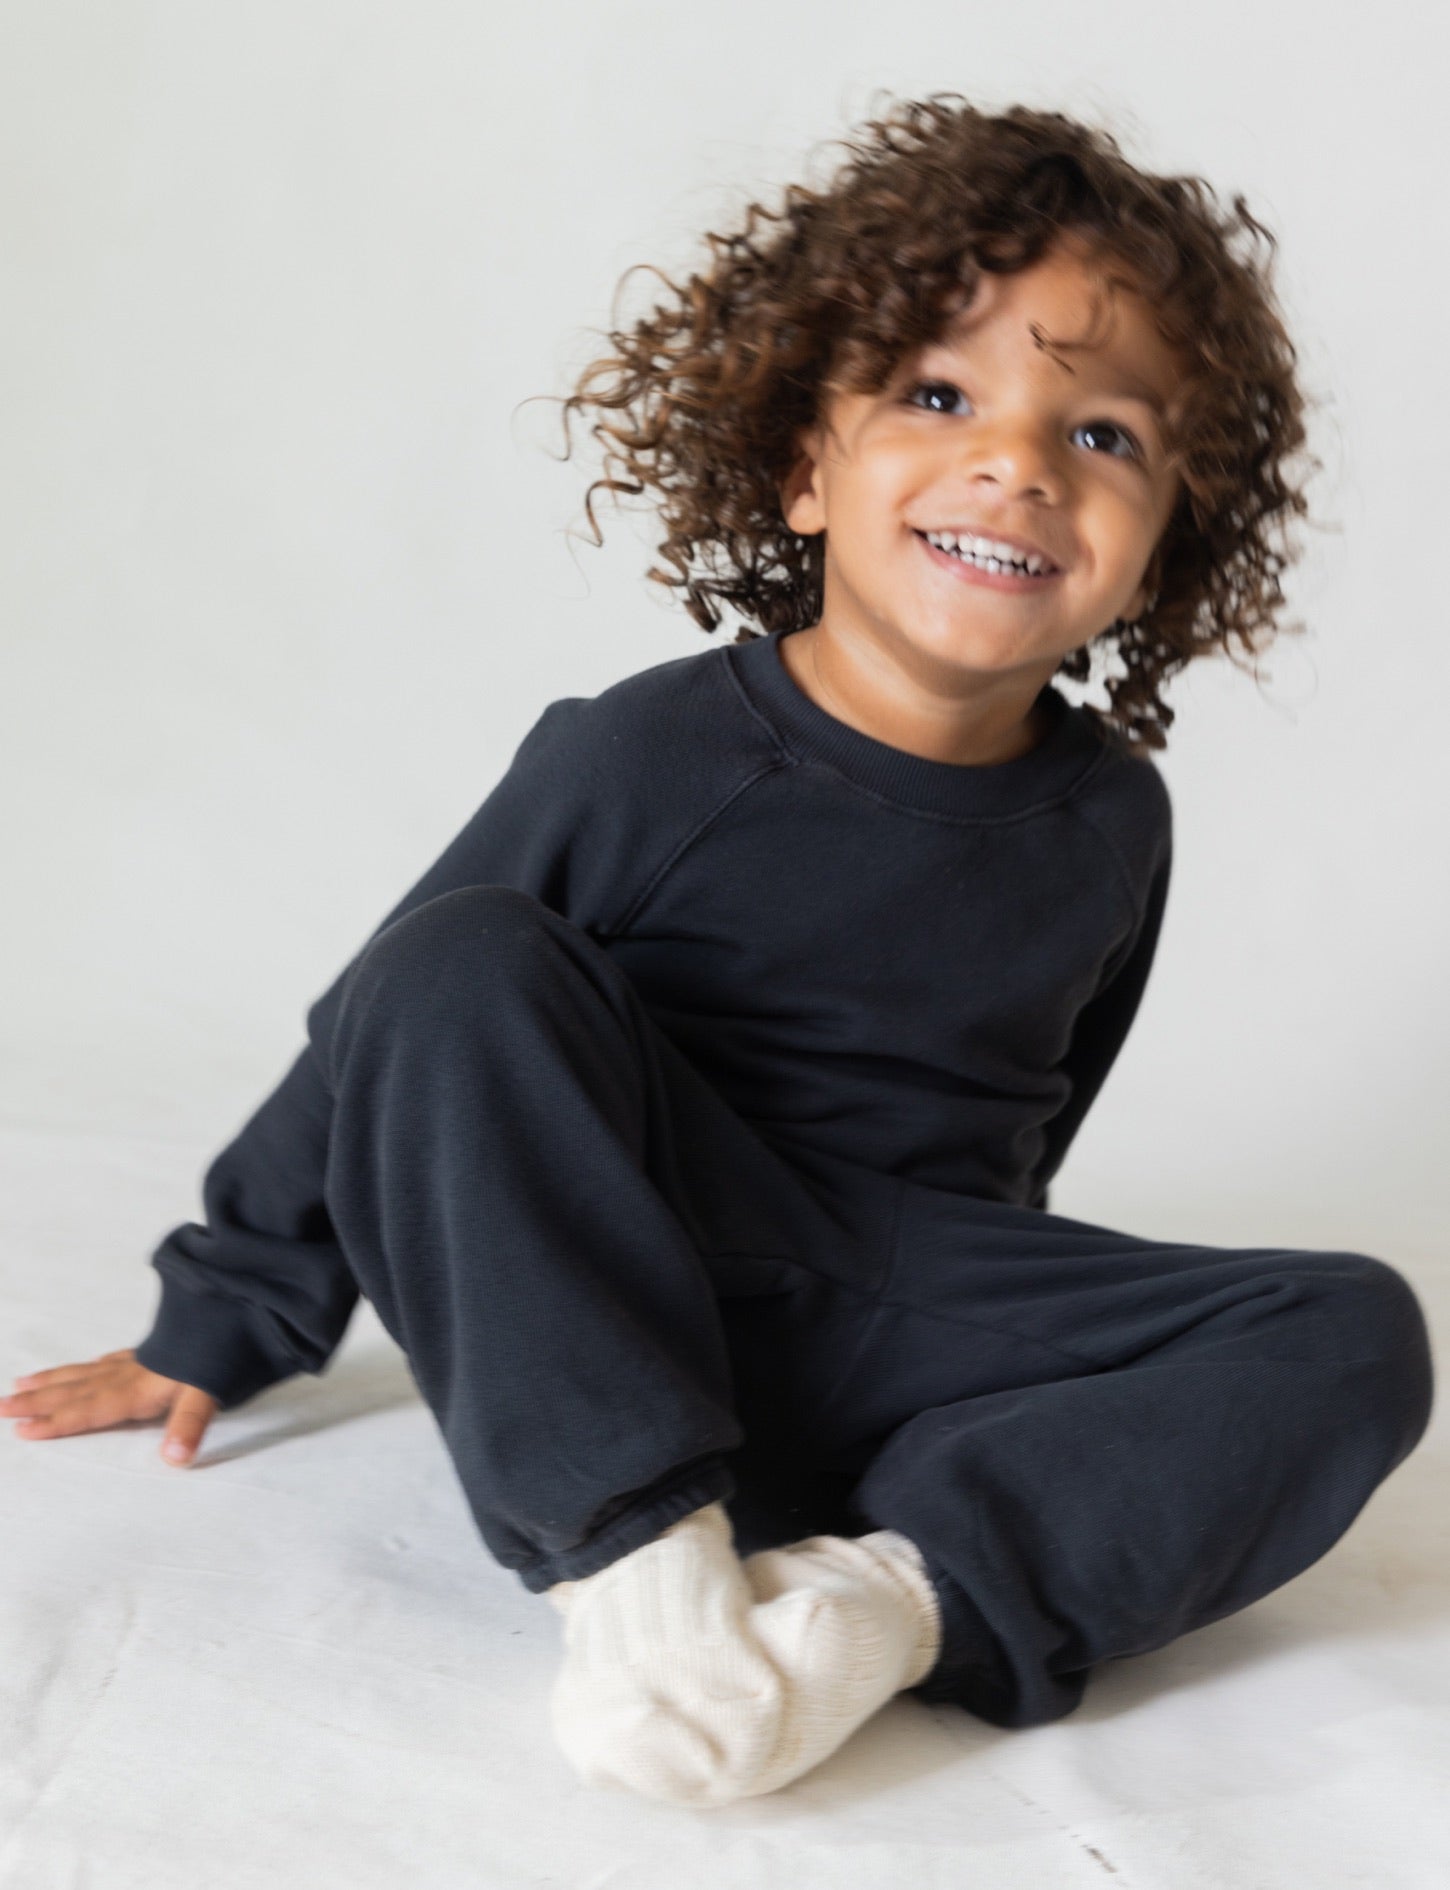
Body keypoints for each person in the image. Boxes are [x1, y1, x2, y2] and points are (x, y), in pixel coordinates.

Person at [3, 96, 1433, 1810]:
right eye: (938, 394)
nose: (1022, 461)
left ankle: (880, 1603)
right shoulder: (643, 755)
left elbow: (1035, 1118)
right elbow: (385, 1039)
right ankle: (650, 1589)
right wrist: (225, 1312)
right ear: (800, 465)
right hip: (624, 1307)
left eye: (1106, 433)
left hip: (908, 1322)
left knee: (1357, 1326)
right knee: (463, 960)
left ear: (1160, 541)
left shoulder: (1111, 816)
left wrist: (1051, 1364)